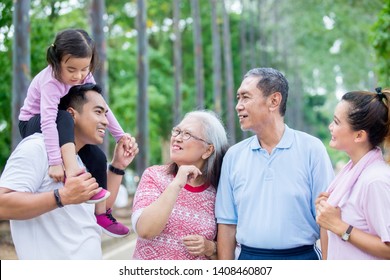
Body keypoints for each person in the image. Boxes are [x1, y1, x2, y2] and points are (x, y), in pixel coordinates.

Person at [0, 83, 138, 259]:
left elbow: (99, 210)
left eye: (106, 114)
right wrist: (61, 197)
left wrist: (118, 165)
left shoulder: (83, 160)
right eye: (98, 112)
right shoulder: (37, 147)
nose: (105, 121)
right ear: (72, 114)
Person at [18, 29, 131, 237]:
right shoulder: (50, 81)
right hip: (33, 123)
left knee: (97, 156)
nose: (78, 76)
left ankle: (102, 213)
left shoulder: (84, 75)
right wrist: (54, 161)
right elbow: (49, 121)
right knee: (63, 117)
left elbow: (102, 105)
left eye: (84, 69)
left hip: (62, 123)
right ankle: (72, 173)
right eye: (71, 69)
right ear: (56, 62)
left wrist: (120, 135)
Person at [215, 67, 334, 260]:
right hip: (249, 261)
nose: (238, 105)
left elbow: (326, 220)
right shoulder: (233, 156)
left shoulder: (312, 149)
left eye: (246, 97)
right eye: (238, 98)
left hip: (303, 260)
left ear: (274, 101)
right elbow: (227, 224)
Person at [131, 110, 229, 260]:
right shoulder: (154, 176)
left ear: (208, 150)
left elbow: (228, 256)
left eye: (187, 134)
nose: (177, 138)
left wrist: (210, 247)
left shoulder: (219, 192)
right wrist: (176, 183)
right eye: (177, 131)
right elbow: (145, 230)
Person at [315, 87, 390, 260]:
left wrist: (339, 226)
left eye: (336, 122)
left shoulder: (375, 180)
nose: (330, 127)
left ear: (359, 136)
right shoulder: (350, 174)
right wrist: (326, 211)